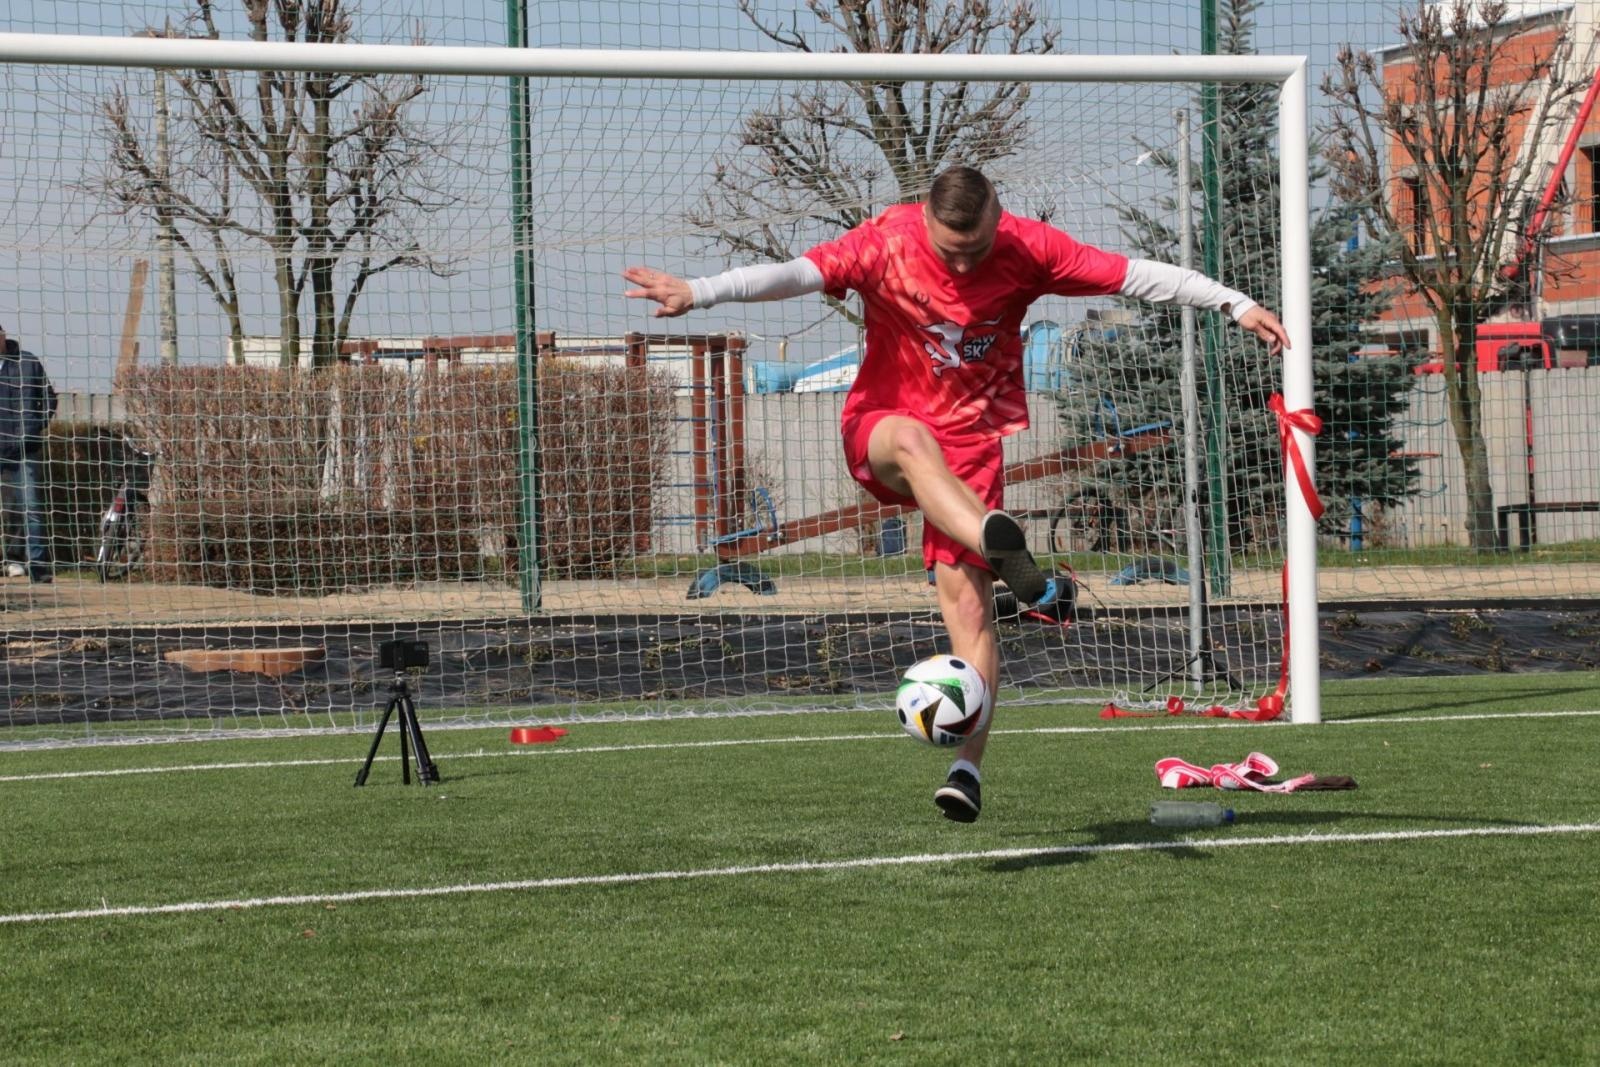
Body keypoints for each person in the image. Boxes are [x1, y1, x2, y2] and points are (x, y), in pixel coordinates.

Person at [623, 166, 1288, 822]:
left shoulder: (1030, 247)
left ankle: (966, 768)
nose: (965, 269)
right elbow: (797, 273)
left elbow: (1136, 273)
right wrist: (702, 291)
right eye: (950, 253)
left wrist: (1236, 302)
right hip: (884, 432)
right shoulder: (884, 241)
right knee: (912, 438)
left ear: (997, 217)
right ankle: (1005, 553)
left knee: (971, 619)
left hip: (971, 453)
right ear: (928, 222)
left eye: (976, 251)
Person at [0, 326, 58, 584]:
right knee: (9, 508)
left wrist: (35, 426)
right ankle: (10, 560)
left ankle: (38, 567)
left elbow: (49, 399)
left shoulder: (28, 362)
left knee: (31, 507)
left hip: (24, 449)